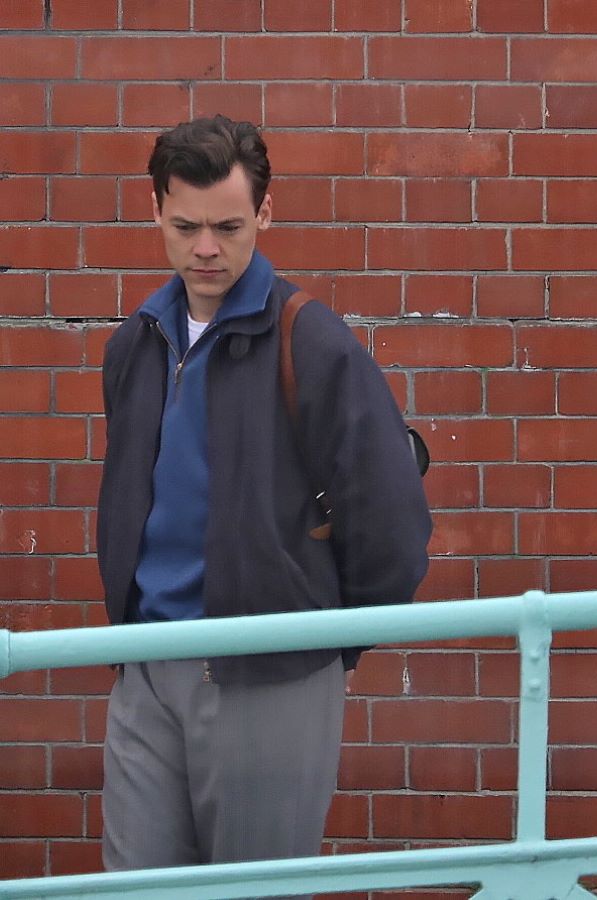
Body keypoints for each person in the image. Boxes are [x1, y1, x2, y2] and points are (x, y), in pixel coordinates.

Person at [95, 115, 432, 878]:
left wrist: (321, 642)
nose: (205, 248)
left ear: (265, 214)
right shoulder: (136, 343)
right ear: (155, 212)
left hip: (269, 671)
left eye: (228, 226)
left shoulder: (313, 343)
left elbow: (393, 528)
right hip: (144, 664)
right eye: (184, 226)